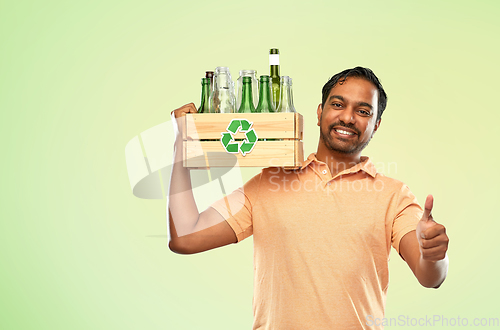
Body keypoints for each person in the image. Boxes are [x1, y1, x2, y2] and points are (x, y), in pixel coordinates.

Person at [167, 67, 449, 329]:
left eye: (363, 111)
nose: (348, 117)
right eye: (338, 104)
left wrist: (435, 254)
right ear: (319, 113)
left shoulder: (393, 196)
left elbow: (430, 277)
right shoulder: (269, 183)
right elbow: (186, 236)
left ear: (376, 125)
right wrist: (182, 143)